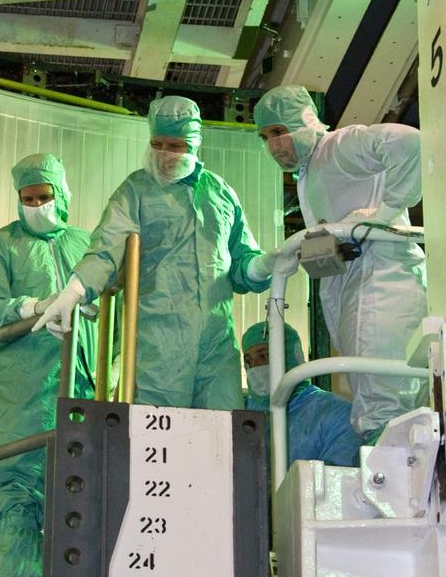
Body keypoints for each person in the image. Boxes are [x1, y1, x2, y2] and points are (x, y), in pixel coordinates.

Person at [34, 96, 274, 408]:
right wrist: (74, 290)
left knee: (221, 429)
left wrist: (262, 265)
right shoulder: (135, 191)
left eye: (175, 146)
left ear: (195, 144)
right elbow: (106, 248)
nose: (165, 154)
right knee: (157, 432)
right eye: (157, 144)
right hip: (157, 347)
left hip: (216, 348)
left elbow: (240, 262)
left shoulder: (221, 193)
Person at [253, 85, 428, 440]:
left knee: (386, 408)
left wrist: (384, 214)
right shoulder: (312, 171)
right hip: (360, 283)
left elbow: (409, 143)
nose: (273, 145)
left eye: (278, 131)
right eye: (265, 137)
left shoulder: (337, 147)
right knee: (384, 405)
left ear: (303, 120)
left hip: (382, 281)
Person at [0, 153, 95, 577]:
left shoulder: (86, 244)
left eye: (45, 196)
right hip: (25, 385)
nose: (37, 205)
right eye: (28, 199)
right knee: (20, 485)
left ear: (61, 194)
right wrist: (34, 306)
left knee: (82, 483)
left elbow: (114, 306)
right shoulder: (2, 246)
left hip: (84, 383)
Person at [243, 320, 362, 468]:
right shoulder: (244, 412)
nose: (255, 367)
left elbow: (338, 477)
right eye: (248, 361)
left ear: (291, 356)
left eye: (264, 356)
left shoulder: (336, 413)